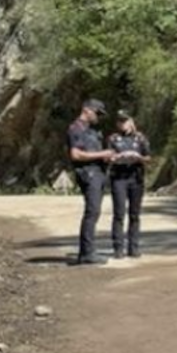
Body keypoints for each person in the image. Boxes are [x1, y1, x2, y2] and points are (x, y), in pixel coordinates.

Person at [66, 98, 116, 265]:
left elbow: (92, 152)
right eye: (97, 113)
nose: (98, 117)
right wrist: (102, 155)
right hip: (88, 174)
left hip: (98, 172)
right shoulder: (76, 128)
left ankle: (88, 251)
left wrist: (107, 157)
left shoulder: (92, 131)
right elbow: (76, 154)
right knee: (92, 212)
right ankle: (86, 253)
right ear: (87, 110)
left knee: (94, 212)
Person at [107, 111, 151, 260]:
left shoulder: (140, 138)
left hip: (136, 177)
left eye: (125, 121)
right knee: (119, 213)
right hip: (119, 177)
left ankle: (134, 247)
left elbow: (148, 157)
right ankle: (118, 248)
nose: (123, 124)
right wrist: (118, 157)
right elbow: (107, 157)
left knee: (135, 214)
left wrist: (139, 157)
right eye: (120, 122)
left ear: (131, 121)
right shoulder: (113, 139)